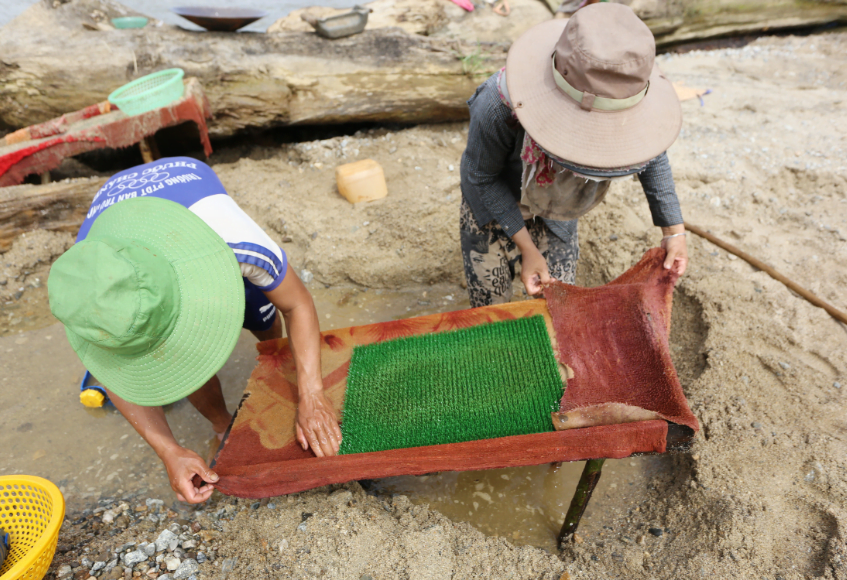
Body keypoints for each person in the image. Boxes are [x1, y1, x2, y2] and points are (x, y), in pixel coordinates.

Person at [47, 157, 342, 504]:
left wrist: (311, 394)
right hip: (112, 209)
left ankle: (275, 360)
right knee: (181, 359)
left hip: (187, 183)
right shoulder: (85, 298)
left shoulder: (236, 243)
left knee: (261, 312)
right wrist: (169, 450)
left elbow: (296, 304)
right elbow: (112, 369)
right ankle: (222, 425)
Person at [460, 3, 688, 308]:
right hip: (497, 191)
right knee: (491, 303)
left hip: (560, 199)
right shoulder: (497, 103)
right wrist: (527, 248)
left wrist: (674, 231)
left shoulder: (624, 91)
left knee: (560, 300)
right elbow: (482, 177)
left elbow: (653, 156)